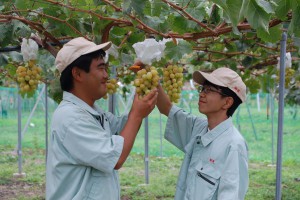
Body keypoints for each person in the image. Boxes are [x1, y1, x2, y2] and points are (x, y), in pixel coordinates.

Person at [46, 37, 158, 200]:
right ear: (77, 73)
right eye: (100, 68)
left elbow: (123, 127)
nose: (106, 75)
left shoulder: (91, 112)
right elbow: (115, 158)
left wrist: (142, 97)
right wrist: (137, 114)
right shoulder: (71, 118)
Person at [156, 67, 249, 200]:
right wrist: (148, 73)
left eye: (209, 90)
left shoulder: (234, 145)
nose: (202, 94)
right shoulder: (198, 128)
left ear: (227, 102)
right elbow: (167, 108)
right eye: (203, 89)